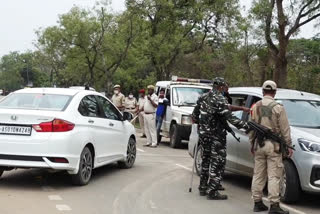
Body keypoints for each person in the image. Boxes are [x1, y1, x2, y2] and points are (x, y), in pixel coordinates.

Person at [192, 77, 248, 200]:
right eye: (225, 87)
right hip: (216, 136)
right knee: (217, 162)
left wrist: (203, 125)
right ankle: (212, 191)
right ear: (221, 87)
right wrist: (247, 127)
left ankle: (202, 187)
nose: (225, 89)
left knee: (205, 159)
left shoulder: (203, 97)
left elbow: (194, 116)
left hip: (204, 135)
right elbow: (231, 118)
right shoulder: (220, 99)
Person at [250, 80, 293, 214]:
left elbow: (251, 128)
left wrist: (252, 143)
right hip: (273, 146)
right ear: (274, 92)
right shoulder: (278, 107)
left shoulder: (255, 106)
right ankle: (274, 205)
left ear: (263, 91)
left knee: (258, 174)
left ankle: (257, 202)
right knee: (274, 176)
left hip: (259, 144)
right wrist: (289, 146)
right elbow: (285, 129)